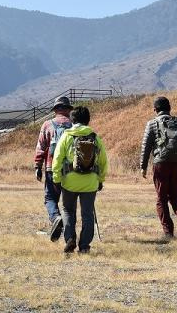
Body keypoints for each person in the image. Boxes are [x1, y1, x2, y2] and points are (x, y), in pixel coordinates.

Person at [51, 105, 108, 255]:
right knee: (87, 214)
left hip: (69, 182)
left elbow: (56, 159)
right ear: (88, 120)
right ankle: (84, 246)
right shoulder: (95, 137)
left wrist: (56, 179)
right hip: (90, 183)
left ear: (72, 119)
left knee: (68, 211)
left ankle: (70, 238)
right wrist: (100, 179)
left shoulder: (66, 136)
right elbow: (103, 162)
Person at [139, 96, 177, 238]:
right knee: (175, 195)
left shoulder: (152, 123)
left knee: (161, 198)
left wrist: (143, 166)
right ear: (170, 108)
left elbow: (146, 146)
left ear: (155, 109)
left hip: (161, 163)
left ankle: (168, 232)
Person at [33, 96, 73, 241]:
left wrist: (37, 166)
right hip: (71, 171)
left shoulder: (47, 125)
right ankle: (69, 236)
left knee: (50, 198)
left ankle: (55, 217)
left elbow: (41, 148)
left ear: (55, 110)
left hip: (51, 168)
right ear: (68, 110)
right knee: (69, 205)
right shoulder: (74, 125)